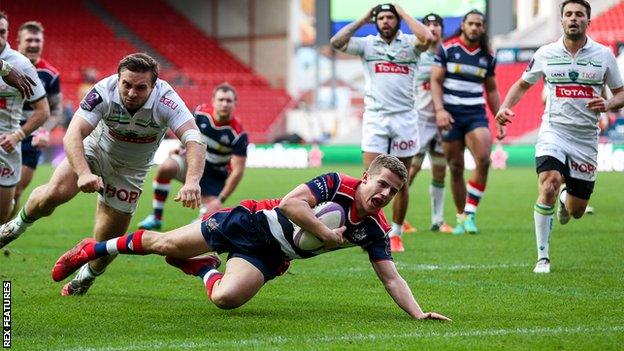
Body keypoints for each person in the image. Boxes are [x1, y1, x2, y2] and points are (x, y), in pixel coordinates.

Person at [52, 154, 451, 321]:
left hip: (269, 255)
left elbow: (390, 276)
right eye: (381, 183)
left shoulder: (376, 228)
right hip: (250, 222)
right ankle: (92, 250)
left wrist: (417, 313)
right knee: (163, 243)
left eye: (392, 191)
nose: (384, 194)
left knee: (225, 300)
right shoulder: (336, 183)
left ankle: (204, 268)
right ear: (367, 177)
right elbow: (294, 205)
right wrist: (326, 234)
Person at [0, 53, 206, 296]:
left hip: (131, 170)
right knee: (54, 194)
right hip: (94, 150)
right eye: (126, 85)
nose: (131, 93)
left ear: (154, 86)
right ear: (118, 79)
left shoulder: (167, 99)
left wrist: (192, 181)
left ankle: (84, 278)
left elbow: (194, 137)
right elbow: (73, 134)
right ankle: (14, 227)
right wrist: (84, 173)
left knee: (105, 245)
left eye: (141, 88)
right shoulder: (104, 90)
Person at [495, 0, 624, 273]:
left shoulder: (603, 56)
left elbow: (621, 93)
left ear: (588, 21)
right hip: (553, 131)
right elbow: (522, 84)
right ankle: (543, 257)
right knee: (549, 183)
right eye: (568, 14)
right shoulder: (546, 53)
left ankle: (567, 201)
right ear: (562, 20)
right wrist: (506, 107)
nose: (573, 19)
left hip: (586, 139)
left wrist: (609, 105)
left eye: (579, 15)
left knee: (577, 210)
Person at [330, 3, 433, 252]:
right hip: (376, 118)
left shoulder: (410, 43)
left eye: (390, 17)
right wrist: (364, 17)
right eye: (382, 18)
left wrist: (404, 12)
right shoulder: (367, 44)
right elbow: (336, 42)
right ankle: (364, 228)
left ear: (397, 21)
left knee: (401, 181)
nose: (386, 21)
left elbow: (427, 37)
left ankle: (396, 233)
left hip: (405, 118)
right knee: (369, 178)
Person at [430, 9, 504, 235]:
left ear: (482, 28)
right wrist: (440, 110)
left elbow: (491, 89)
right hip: (450, 115)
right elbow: (435, 81)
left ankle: (470, 212)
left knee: (483, 159)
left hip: (475, 114)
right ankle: (462, 217)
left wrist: (499, 117)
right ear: (463, 25)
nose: (474, 28)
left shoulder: (487, 56)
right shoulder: (447, 49)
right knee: (456, 167)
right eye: (470, 23)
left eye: (478, 24)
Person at [138, 83, 248, 230]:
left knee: (205, 221)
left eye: (228, 101)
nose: (224, 104)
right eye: (221, 100)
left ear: (235, 104)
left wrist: (220, 199)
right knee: (167, 167)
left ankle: (196, 226)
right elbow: (187, 132)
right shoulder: (201, 113)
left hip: (214, 176)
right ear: (213, 101)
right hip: (192, 163)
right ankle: (156, 217)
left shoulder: (238, 134)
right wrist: (180, 148)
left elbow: (237, 171)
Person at [0, 11, 50, 224]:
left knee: (2, 218)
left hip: (5, 147)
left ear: (8, 33)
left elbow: (43, 111)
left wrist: (17, 136)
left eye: (1, 32)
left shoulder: (21, 65)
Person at [406, 13, 452, 233]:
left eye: (437, 25)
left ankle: (438, 220)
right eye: (428, 25)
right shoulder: (417, 53)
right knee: (410, 171)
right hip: (419, 120)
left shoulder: (448, 54)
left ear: (442, 29)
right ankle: (399, 218)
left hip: (442, 122)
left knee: (440, 171)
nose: (433, 28)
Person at [12, 21, 63, 219]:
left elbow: (57, 109)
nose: (33, 44)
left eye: (37, 40)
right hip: (4, 129)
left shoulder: (50, 74)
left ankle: (2, 235)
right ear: (18, 42)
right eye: (29, 40)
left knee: (15, 191)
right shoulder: (6, 65)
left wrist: (44, 131)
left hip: (31, 136)